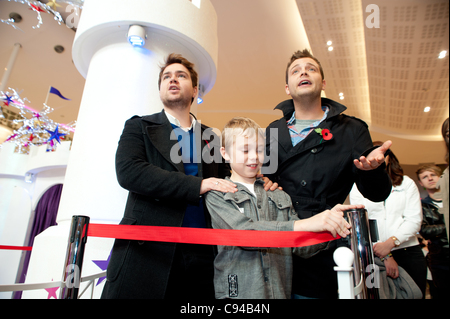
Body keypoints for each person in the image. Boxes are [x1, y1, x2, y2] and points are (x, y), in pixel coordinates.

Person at [101, 54, 278, 299]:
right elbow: (129, 172)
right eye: (166, 77)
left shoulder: (211, 137)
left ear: (195, 90)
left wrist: (258, 180)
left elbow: (229, 177)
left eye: (181, 75)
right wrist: (198, 185)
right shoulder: (139, 126)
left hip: (201, 253)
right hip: (146, 253)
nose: (172, 79)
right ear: (160, 88)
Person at [262, 49, 393, 299]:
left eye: (311, 68)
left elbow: (377, 193)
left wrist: (373, 170)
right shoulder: (273, 131)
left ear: (322, 83)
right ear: (287, 88)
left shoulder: (351, 129)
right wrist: (263, 181)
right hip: (280, 238)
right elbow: (268, 179)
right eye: (296, 70)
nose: (303, 72)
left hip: (323, 242)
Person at [205, 117, 362, 299]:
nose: (254, 157)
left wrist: (331, 227)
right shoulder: (217, 195)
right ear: (225, 153)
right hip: (239, 294)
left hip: (279, 291)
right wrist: (304, 225)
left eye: (260, 150)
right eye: (246, 150)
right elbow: (244, 233)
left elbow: (301, 247)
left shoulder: (279, 194)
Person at [350, 142, 426, 297]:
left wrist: (390, 244)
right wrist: (384, 254)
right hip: (372, 256)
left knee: (415, 294)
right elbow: (361, 223)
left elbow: (414, 220)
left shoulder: (407, 183)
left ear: (389, 158)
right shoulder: (357, 187)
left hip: (408, 252)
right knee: (375, 295)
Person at [417, 163, 449, 299]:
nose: (430, 178)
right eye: (425, 176)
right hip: (440, 260)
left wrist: (438, 228)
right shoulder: (421, 205)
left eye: (433, 175)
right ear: (421, 182)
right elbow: (424, 230)